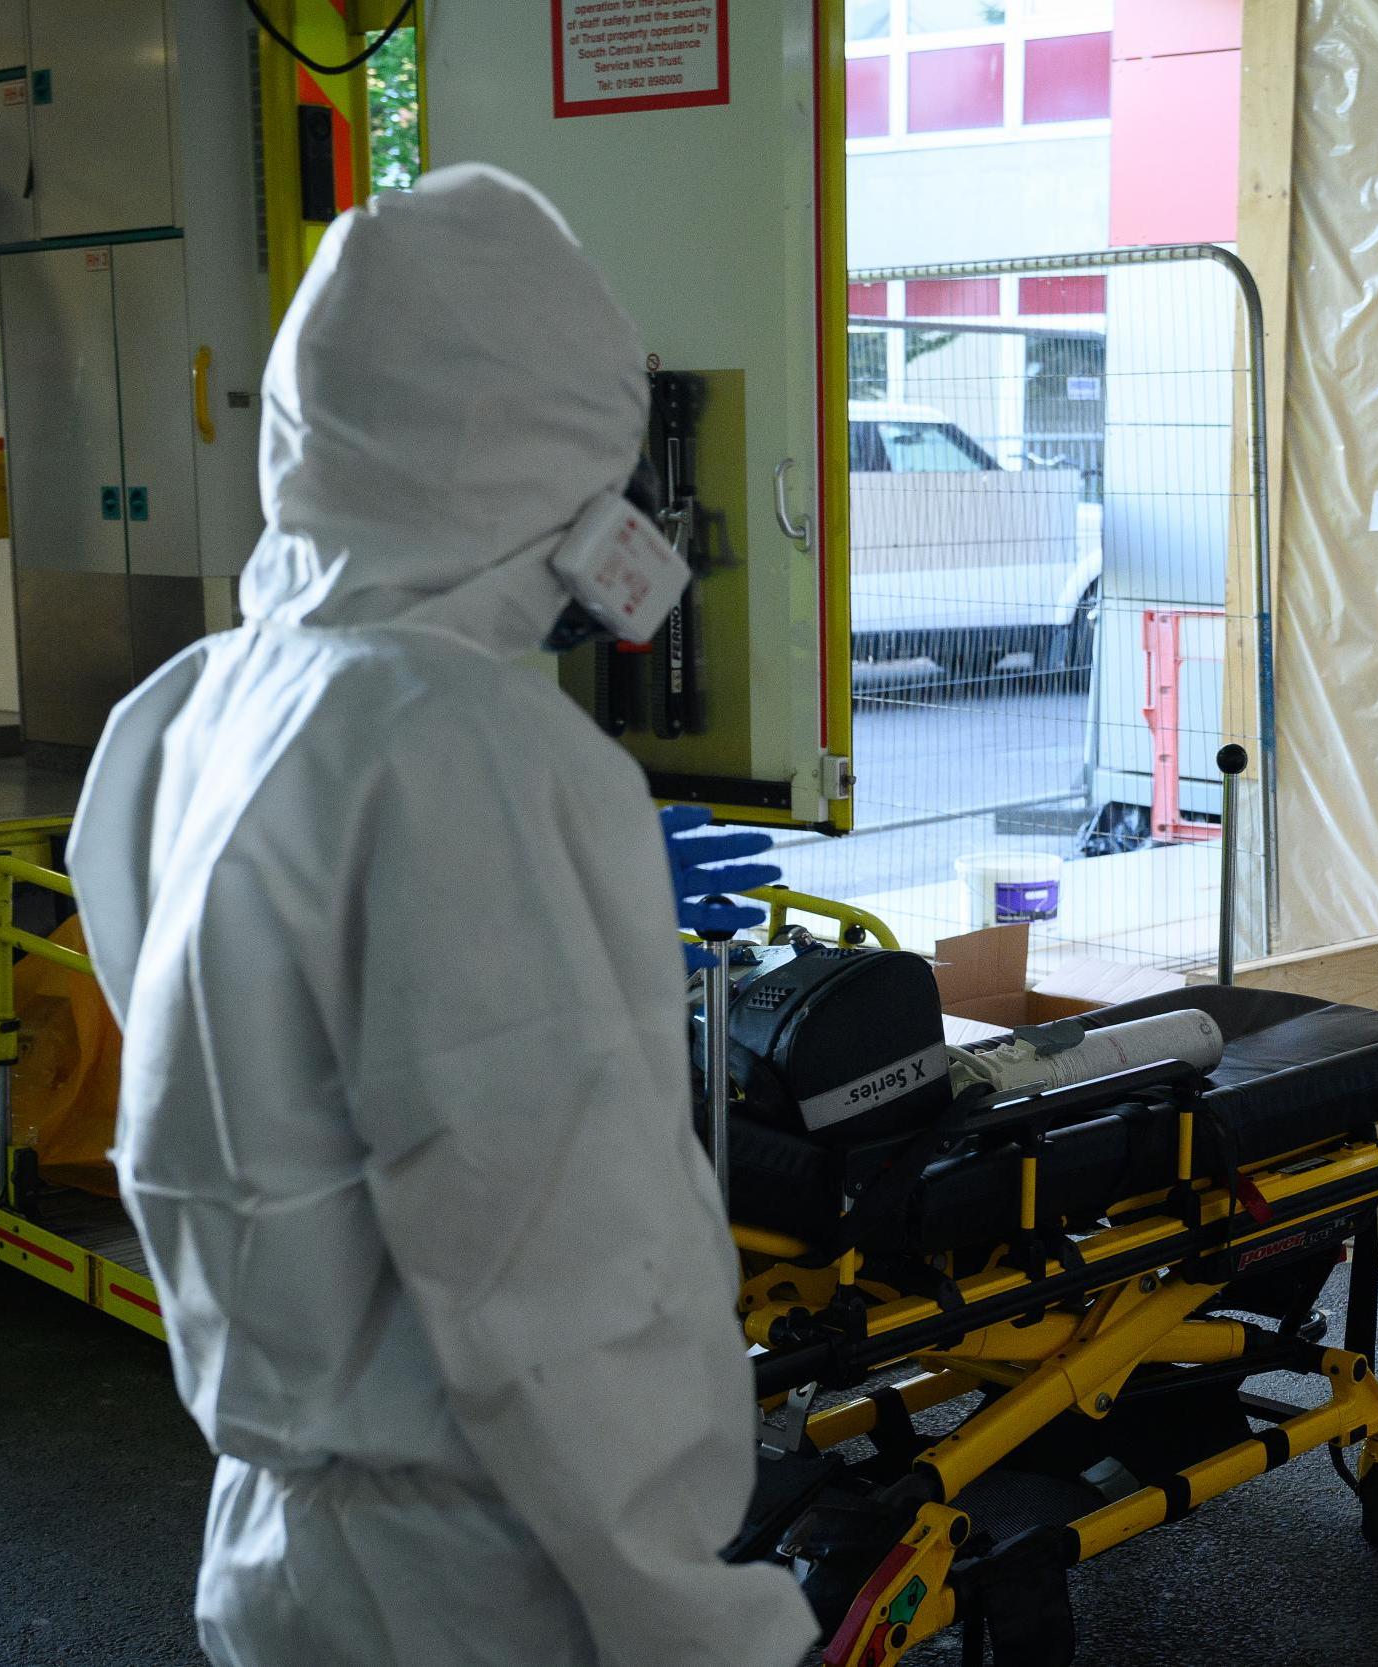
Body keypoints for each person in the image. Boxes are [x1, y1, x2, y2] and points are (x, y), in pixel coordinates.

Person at [66, 165, 817, 1665]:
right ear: (543, 446)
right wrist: (701, 1617)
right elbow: (553, 1271)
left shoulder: (197, 702)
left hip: (281, 1549)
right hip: (486, 1580)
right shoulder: (461, 742)